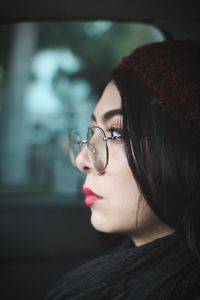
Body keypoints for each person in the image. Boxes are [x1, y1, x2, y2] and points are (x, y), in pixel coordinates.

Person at [45, 39, 200, 300]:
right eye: (91, 130)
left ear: (184, 151)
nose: (82, 159)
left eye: (116, 132)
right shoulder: (121, 269)